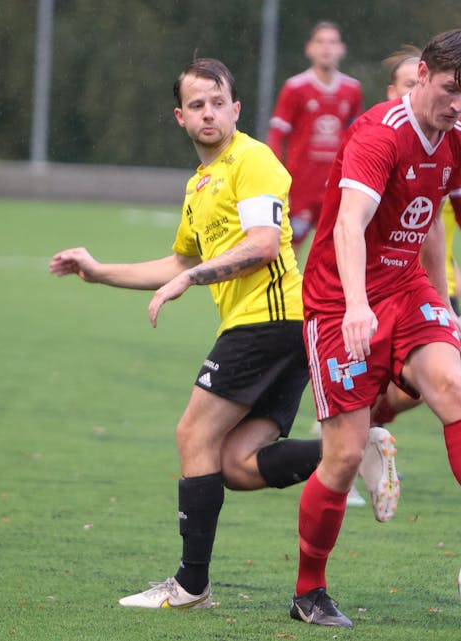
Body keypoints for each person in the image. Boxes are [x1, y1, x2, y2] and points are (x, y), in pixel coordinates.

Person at [48, 58, 396, 611]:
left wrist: (189, 279)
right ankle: (353, 452)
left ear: (235, 109)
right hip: (276, 329)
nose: (208, 113)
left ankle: (191, 585)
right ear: (180, 117)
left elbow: (262, 244)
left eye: (217, 103)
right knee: (234, 463)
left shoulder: (252, 159)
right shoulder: (198, 185)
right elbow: (179, 261)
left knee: (193, 434)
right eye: (196, 105)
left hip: (270, 320)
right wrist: (99, 271)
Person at [289, 30, 461, 628]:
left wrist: (445, 305)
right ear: (421, 74)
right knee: (342, 457)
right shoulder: (379, 134)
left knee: (449, 383)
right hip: (338, 298)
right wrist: (357, 306)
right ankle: (309, 590)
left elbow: (433, 221)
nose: (457, 105)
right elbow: (349, 226)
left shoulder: (457, 141)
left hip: (405, 287)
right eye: (448, 89)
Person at [369, 48, 461, 427]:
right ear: (395, 92)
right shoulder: (378, 142)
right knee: (396, 377)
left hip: (433, 282)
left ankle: (369, 425)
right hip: (378, 284)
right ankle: (353, 431)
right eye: (405, 86)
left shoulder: (460, 143)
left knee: (429, 382)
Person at [267, 20, 364, 254]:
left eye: (332, 42)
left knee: (339, 248)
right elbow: (277, 136)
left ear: (342, 49)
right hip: (300, 187)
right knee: (288, 249)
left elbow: (357, 137)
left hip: (336, 184)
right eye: (320, 42)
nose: (326, 48)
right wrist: (274, 176)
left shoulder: (352, 89)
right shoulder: (295, 88)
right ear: (309, 48)